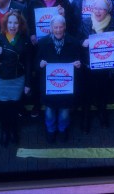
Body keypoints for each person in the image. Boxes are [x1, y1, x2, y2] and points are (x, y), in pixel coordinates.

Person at [78, 0, 114, 133]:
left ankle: (102, 113)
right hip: (88, 65)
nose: (97, 11)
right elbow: (77, 39)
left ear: (107, 10)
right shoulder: (85, 22)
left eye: (101, 9)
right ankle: (85, 116)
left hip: (105, 67)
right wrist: (82, 42)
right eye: (95, 8)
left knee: (103, 92)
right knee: (86, 93)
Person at [0, 11, 31, 147]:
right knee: (3, 107)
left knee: (14, 106)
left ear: (20, 24)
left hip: (18, 79)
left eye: (16, 23)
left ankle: (13, 130)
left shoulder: (24, 39)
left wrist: (28, 83)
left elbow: (28, 63)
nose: (12, 26)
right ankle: (4, 131)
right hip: (2, 79)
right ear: (5, 24)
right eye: (10, 22)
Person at [37, 15, 82, 143]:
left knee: (64, 113)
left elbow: (80, 62)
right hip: (49, 86)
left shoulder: (74, 42)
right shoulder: (42, 43)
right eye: (55, 27)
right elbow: (36, 63)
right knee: (49, 112)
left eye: (60, 27)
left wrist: (78, 65)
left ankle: (63, 129)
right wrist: (40, 64)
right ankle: (51, 130)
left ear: (65, 27)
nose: (58, 30)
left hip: (66, 87)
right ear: (51, 28)